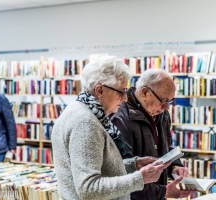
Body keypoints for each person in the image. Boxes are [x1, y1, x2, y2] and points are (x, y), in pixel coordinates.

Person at [51, 56, 171, 200]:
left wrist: (134, 165)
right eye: (121, 92)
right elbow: (89, 188)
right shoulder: (85, 123)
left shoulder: (82, 110)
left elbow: (102, 168)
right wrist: (140, 178)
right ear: (100, 90)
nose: (125, 98)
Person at [111, 68, 194, 200]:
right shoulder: (120, 118)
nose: (167, 107)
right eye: (163, 101)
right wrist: (163, 192)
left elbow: (167, 146)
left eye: (170, 101)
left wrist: (175, 165)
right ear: (145, 92)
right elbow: (121, 172)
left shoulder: (161, 114)